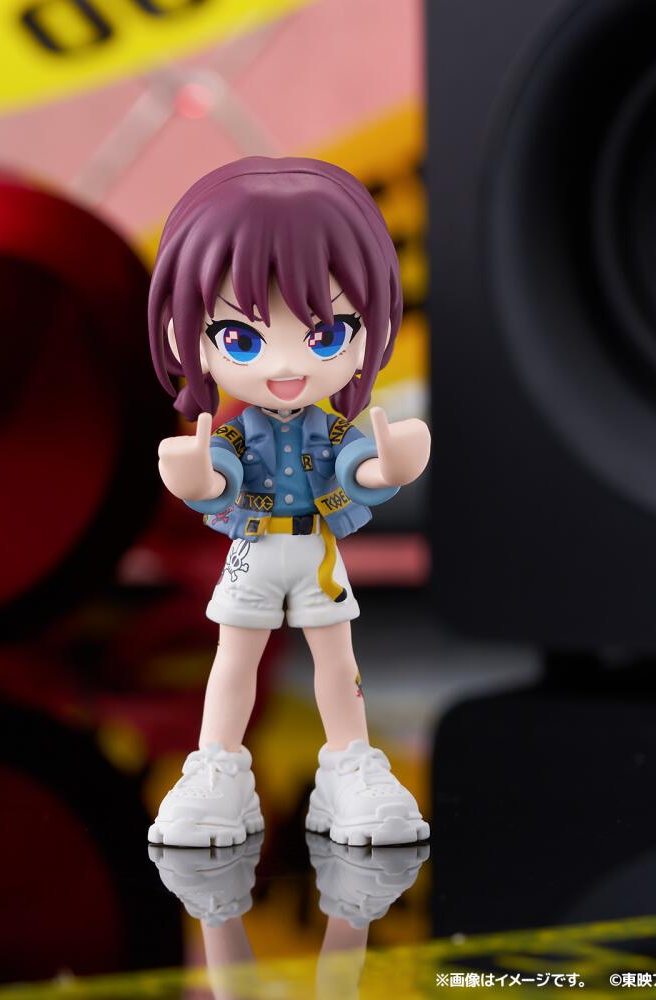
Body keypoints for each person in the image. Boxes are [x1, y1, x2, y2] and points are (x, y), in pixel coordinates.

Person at [146, 156, 430, 848]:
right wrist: (196, 479)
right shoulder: (234, 429)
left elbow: (354, 464)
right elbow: (220, 471)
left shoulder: (326, 428)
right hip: (252, 551)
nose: (283, 366)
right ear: (189, 339)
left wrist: (388, 466)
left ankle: (350, 765)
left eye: (325, 334)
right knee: (234, 660)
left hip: (315, 552)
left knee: (337, 661)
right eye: (241, 338)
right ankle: (217, 768)